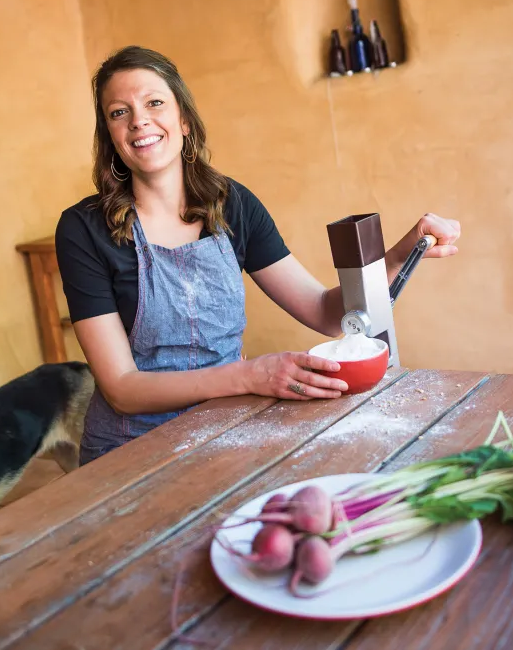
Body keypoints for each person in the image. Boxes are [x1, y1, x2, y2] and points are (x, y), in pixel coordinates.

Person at [55, 46, 461, 465]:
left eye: (154, 102)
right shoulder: (83, 230)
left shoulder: (232, 205)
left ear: (185, 121)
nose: (139, 120)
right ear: (110, 136)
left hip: (225, 433)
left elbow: (324, 312)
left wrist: (401, 251)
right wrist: (250, 375)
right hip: (129, 453)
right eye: (119, 112)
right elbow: (122, 389)